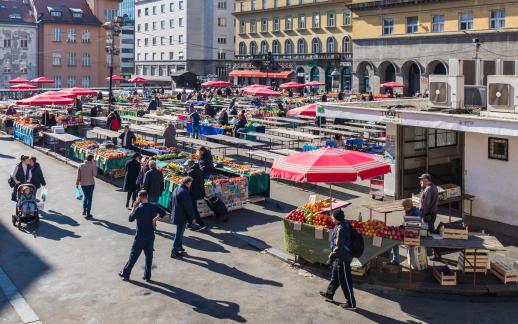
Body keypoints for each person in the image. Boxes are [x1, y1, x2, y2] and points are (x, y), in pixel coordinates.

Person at [119, 190, 166, 282]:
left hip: (140, 236)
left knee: (133, 256)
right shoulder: (154, 205)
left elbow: (130, 219)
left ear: (140, 197)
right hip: (150, 235)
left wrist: (133, 208)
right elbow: (163, 213)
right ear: (147, 196)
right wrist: (156, 218)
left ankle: (126, 273)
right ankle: (147, 276)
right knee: (149, 256)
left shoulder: (139, 209)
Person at [320, 210, 356, 310]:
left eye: (332, 217)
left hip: (343, 258)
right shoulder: (342, 224)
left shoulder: (341, 228)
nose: (331, 218)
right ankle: (329, 294)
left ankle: (351, 303)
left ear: (336, 218)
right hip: (339, 257)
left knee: (345, 281)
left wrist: (331, 257)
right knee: (335, 276)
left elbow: (338, 247)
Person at [169, 177, 197, 258]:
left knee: (180, 232)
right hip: (181, 216)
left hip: (176, 214)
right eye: (190, 183)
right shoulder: (184, 192)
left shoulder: (176, 189)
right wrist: (192, 218)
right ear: (187, 183)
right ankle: (174, 251)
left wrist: (172, 212)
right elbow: (188, 207)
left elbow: (170, 201)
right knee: (179, 234)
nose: (191, 185)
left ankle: (179, 247)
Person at [185, 160, 206, 231]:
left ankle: (201, 224)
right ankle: (190, 223)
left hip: (193, 193)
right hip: (199, 192)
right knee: (192, 208)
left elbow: (189, 184)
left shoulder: (191, 172)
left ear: (189, 165)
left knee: (193, 209)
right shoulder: (199, 170)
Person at [76, 154, 97, 219]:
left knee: (86, 197)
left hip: (83, 184)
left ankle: (84, 210)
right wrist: (94, 165)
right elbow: (95, 174)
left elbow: (78, 176)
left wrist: (77, 183)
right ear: (92, 159)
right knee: (89, 198)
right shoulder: (92, 166)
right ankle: (88, 213)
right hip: (90, 184)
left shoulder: (81, 165)